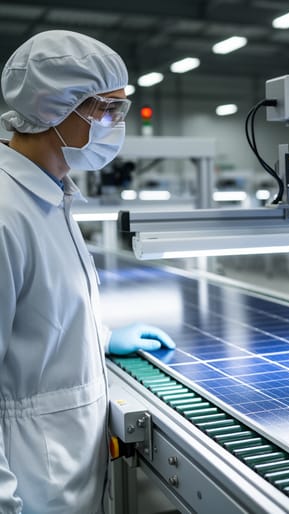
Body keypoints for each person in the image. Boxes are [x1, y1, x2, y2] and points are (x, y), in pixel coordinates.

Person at [0, 30, 176, 513]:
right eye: (107, 110)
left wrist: (99, 337)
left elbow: (41, 316)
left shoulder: (51, 196)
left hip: (67, 465)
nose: (115, 125)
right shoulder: (5, 212)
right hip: (32, 483)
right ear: (55, 109)